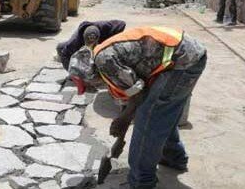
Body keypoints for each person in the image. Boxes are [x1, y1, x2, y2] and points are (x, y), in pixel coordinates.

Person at [70, 26, 207, 189]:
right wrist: (123, 120)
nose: (91, 88)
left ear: (89, 74)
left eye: (87, 85)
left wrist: (124, 119)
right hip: (186, 55)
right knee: (161, 114)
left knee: (148, 121)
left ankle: (142, 181)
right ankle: (173, 157)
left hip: (183, 61)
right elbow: (131, 90)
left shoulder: (105, 61)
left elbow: (138, 94)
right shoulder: (102, 55)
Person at [56, 20, 126, 70]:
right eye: (90, 45)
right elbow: (64, 54)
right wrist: (73, 75)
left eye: (94, 44)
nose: (92, 46)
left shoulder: (105, 27)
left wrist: (112, 40)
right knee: (60, 47)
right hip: (73, 46)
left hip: (103, 40)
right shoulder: (75, 41)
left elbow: (122, 23)